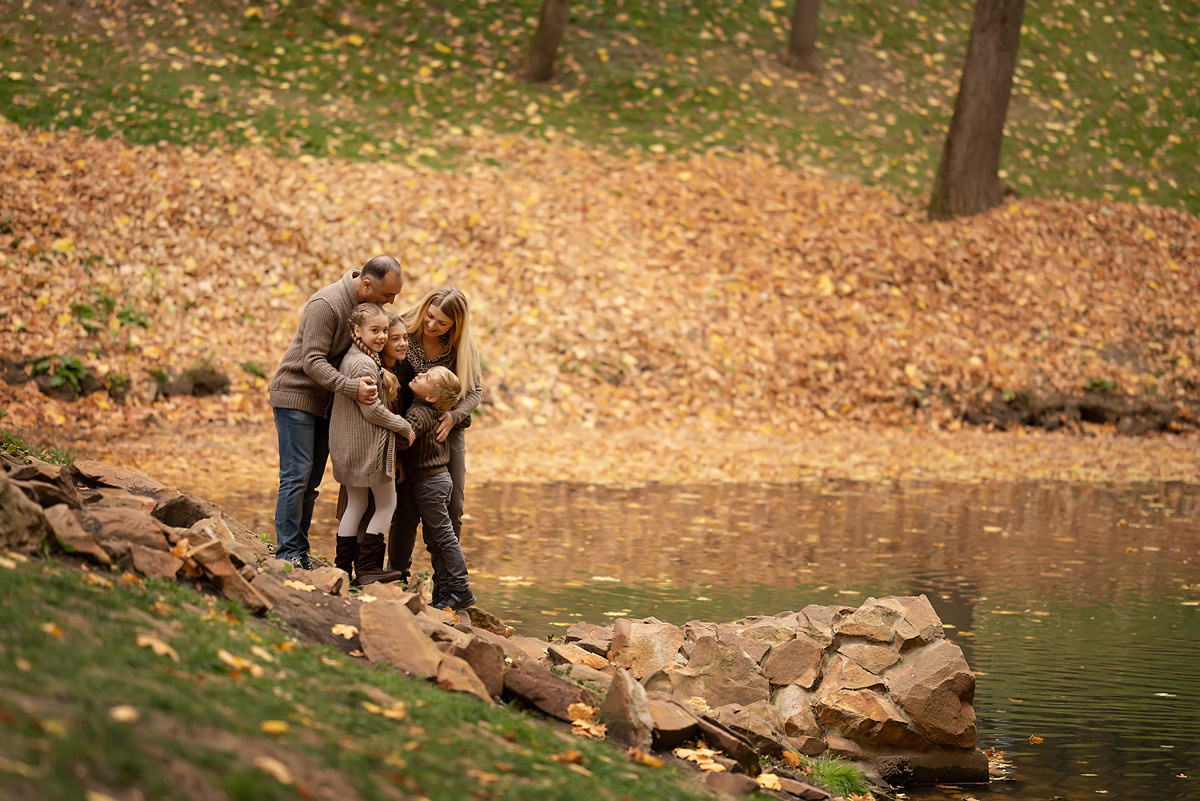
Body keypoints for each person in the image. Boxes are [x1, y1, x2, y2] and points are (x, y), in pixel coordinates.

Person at [268, 255, 405, 570]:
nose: (391, 301)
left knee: (311, 481)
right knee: (296, 475)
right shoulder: (326, 304)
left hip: (325, 402)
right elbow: (312, 360)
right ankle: (287, 553)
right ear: (367, 284)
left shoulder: (369, 309)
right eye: (387, 295)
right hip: (297, 395)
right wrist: (351, 388)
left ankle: (299, 550)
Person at [389, 287, 482, 578]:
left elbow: (475, 392)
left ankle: (447, 582)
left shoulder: (459, 347)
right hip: (408, 427)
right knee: (404, 507)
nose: (432, 325)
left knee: (452, 506)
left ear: (455, 325)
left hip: (446, 433)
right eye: (430, 316)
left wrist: (454, 416)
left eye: (441, 323)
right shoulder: (403, 329)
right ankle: (396, 573)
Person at [328, 303, 415, 585]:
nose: (381, 337)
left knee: (356, 504)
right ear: (357, 330)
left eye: (384, 331)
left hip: (351, 447)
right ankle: (367, 568)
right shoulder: (363, 363)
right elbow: (372, 410)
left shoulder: (356, 356)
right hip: (368, 449)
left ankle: (342, 570)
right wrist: (403, 425)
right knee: (388, 504)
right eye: (374, 330)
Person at [398, 366, 476, 610]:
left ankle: (460, 587)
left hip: (430, 483)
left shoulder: (419, 414)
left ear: (431, 397)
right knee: (435, 538)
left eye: (426, 377)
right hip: (437, 480)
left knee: (443, 536)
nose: (420, 374)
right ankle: (448, 590)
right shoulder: (431, 410)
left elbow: (403, 437)